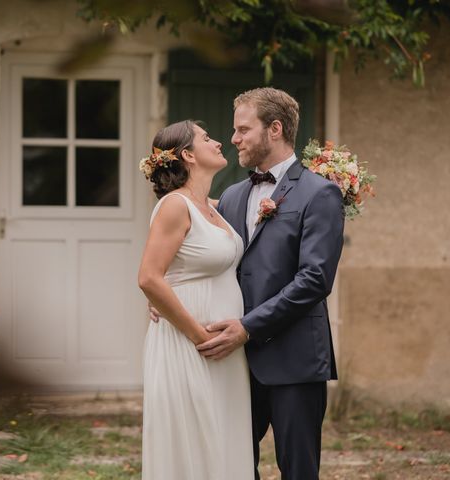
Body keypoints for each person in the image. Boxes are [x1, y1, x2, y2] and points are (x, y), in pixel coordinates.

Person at [193, 87, 345, 479]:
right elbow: (214, 261)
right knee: (233, 466)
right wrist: (167, 294)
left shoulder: (320, 193)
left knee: (297, 470)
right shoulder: (231, 196)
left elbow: (314, 280)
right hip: (237, 364)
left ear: (274, 129)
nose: (234, 139)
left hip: (295, 359)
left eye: (243, 129)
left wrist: (247, 327)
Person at [138, 120, 255, 480]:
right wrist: (200, 337)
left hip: (225, 348)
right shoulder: (175, 206)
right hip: (189, 346)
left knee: (222, 440)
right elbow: (149, 277)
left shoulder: (216, 208)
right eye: (206, 138)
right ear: (188, 154)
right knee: (193, 443)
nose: (219, 142)